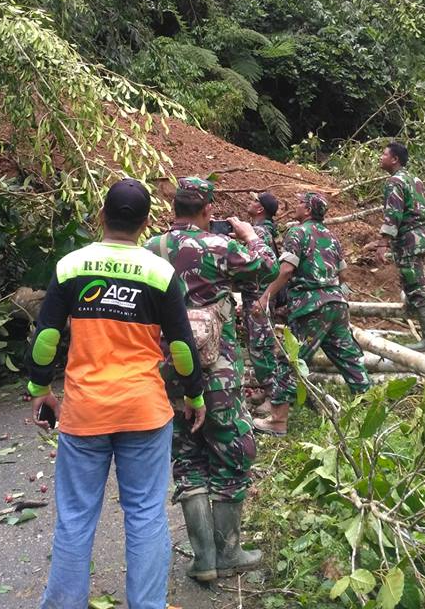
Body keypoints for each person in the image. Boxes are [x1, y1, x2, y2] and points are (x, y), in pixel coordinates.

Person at [26, 178, 206, 609]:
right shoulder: (160, 273)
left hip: (85, 412)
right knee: (145, 515)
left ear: (102, 216)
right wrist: (193, 396)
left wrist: (39, 387)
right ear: (146, 224)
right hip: (144, 412)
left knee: (74, 519)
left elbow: (47, 335)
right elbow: (181, 347)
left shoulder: (72, 266)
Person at [145, 177, 278, 582]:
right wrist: (251, 234)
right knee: (232, 449)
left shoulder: (150, 249)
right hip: (216, 371)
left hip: (169, 370)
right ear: (206, 211)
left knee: (187, 455)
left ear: (173, 211)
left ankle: (203, 560)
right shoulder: (220, 247)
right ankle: (229, 551)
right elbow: (266, 267)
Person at [252, 191, 370, 437]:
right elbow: (342, 274)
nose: (294, 207)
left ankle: (278, 421)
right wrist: (343, 297)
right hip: (336, 304)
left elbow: (286, 271)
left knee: (290, 360)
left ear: (307, 210)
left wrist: (266, 297)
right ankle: (369, 404)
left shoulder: (298, 233)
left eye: (298, 203)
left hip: (311, 307)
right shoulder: (332, 237)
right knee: (348, 356)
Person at [366, 141, 425, 352]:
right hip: (423, 234)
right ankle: (413, 313)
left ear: (394, 159)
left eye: (384, 154)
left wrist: (382, 243)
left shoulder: (394, 182)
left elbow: (393, 215)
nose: (381, 157)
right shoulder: (415, 180)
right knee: (411, 281)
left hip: (410, 238)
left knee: (417, 286)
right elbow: (424, 208)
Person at [241, 191, 279, 418]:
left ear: (261, 209)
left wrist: (261, 299)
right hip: (257, 298)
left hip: (258, 299)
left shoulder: (260, 233)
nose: (250, 202)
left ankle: (274, 397)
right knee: (259, 344)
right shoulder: (263, 231)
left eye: (254, 200)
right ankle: (267, 393)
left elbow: (261, 266)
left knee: (261, 347)